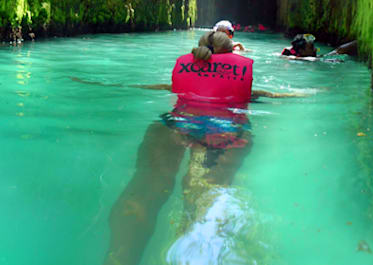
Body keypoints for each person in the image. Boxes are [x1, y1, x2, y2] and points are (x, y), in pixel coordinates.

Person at [101, 31, 301, 265]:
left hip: (175, 124)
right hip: (227, 133)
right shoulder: (250, 89)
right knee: (205, 196)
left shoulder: (177, 80)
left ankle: (119, 257)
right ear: (231, 55)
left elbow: (142, 86)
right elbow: (284, 95)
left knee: (145, 188)